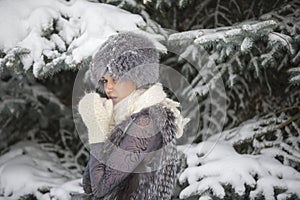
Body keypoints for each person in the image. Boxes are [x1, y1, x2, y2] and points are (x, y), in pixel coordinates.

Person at [78, 32, 189, 200]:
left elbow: (101, 188)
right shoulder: (126, 118)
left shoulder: (148, 121)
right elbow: (89, 185)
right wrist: (104, 127)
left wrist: (96, 131)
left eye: (116, 79)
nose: (108, 88)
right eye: (105, 80)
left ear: (138, 77)